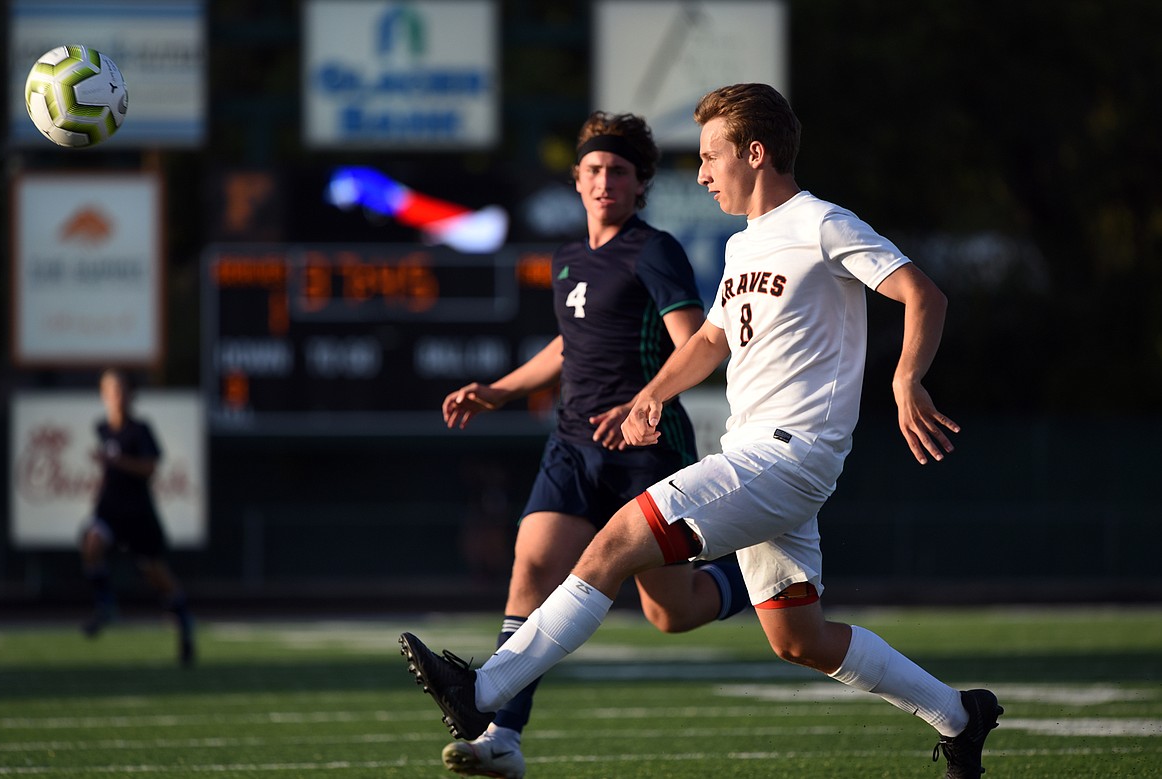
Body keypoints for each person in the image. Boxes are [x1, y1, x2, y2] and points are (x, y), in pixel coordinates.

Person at [400, 83, 1003, 779]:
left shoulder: (819, 222)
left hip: (787, 454)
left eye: (712, 155)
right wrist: (650, 395)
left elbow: (921, 292)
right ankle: (960, 714)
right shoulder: (746, 246)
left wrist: (905, 379)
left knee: (614, 542)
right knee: (799, 639)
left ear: (756, 152)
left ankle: (483, 693)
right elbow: (710, 341)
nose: (703, 172)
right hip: (758, 456)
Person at [434, 110, 748, 778]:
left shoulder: (654, 250)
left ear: (640, 186)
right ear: (577, 179)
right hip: (572, 445)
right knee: (532, 565)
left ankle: (757, 572)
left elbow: (697, 340)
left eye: (620, 171)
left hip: (646, 448)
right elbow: (564, 346)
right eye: (596, 169)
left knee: (671, 611)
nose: (606, 179)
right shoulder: (568, 259)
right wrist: (498, 389)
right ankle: (503, 737)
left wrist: (650, 401)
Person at [80, 368, 196, 667]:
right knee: (92, 543)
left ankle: (184, 626)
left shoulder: (139, 430)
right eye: (109, 391)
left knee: (155, 573)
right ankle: (106, 605)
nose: (115, 397)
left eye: (120, 390)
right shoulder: (102, 428)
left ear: (130, 394)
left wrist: (118, 462)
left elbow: (149, 467)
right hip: (110, 510)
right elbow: (109, 471)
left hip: (138, 513)